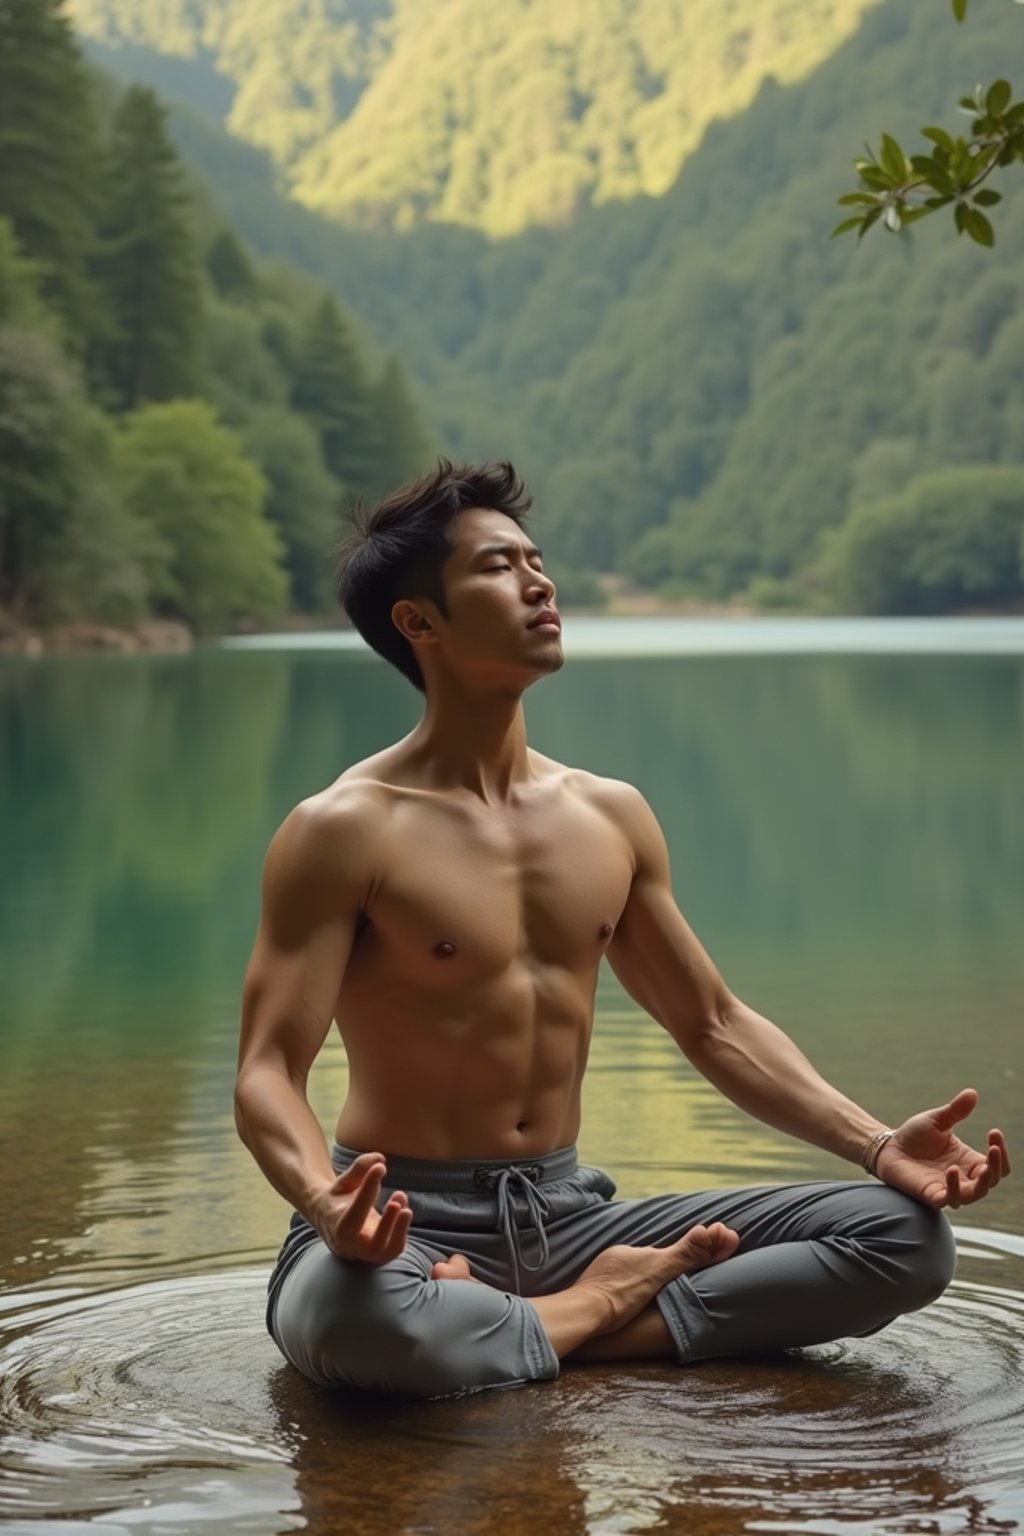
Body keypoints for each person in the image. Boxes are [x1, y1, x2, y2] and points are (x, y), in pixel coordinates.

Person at [235, 460, 1011, 1399]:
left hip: (570, 1217)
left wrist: (878, 1144)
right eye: (497, 566)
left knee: (906, 1238)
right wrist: (326, 1205)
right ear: (418, 621)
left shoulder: (609, 816)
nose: (538, 582)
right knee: (353, 1325)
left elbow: (713, 1023)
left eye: (536, 559)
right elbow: (268, 1069)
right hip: (402, 1217)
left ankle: (538, 1325)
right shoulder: (344, 830)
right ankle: (593, 1312)